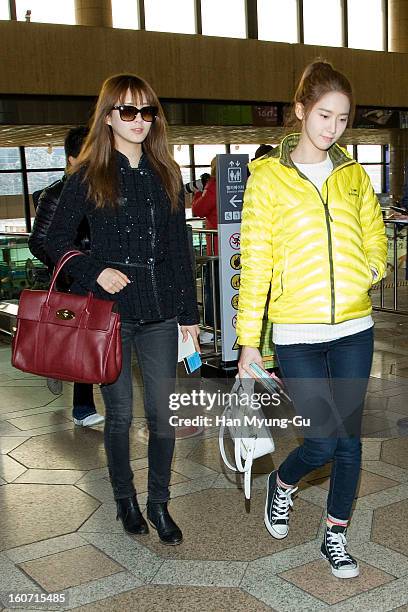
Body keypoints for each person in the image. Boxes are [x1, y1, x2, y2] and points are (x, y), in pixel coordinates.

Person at [237, 60, 387, 579]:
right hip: (297, 334)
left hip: (353, 330)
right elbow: (255, 262)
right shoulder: (268, 180)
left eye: (343, 119)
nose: (332, 128)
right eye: (324, 115)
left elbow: (375, 234)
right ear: (300, 110)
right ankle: (283, 483)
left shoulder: (352, 175)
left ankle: (335, 535)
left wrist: (367, 269)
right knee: (320, 441)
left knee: (347, 442)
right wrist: (247, 342)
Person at [44, 74, 200, 545]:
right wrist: (96, 272)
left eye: (146, 111)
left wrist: (189, 317)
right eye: (127, 111)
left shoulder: (166, 172)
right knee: (119, 415)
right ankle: (125, 500)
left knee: (162, 414)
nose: (139, 120)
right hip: (108, 315)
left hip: (159, 312)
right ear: (108, 116)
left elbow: (179, 251)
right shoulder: (89, 174)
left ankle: (159, 502)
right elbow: (53, 240)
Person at [29, 127, 104, 428]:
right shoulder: (55, 195)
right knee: (83, 340)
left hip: (104, 278)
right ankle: (83, 407)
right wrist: (72, 264)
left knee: (90, 339)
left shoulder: (104, 192)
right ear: (72, 159)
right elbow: (39, 241)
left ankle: (58, 363)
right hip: (74, 281)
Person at [192, 157, 219, 341]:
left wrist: (198, 191)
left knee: (212, 289)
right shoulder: (242, 181)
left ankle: (211, 329)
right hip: (238, 247)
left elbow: (199, 209)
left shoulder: (214, 184)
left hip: (217, 248)